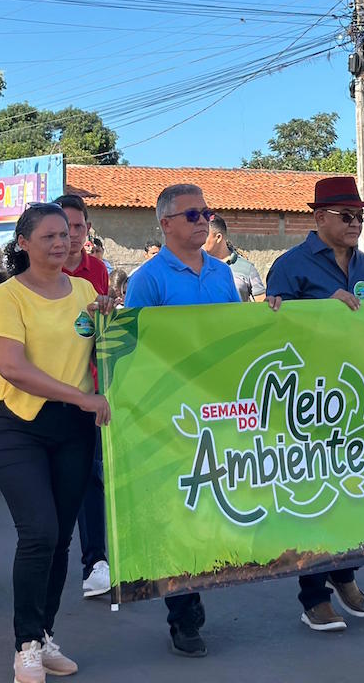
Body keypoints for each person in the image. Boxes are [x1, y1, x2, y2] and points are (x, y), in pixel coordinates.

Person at [265, 176, 364, 632]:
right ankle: (313, 594)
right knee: (312, 499)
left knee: (355, 491)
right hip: (306, 402)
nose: (355, 223)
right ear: (319, 218)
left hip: (355, 395)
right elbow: (272, 331)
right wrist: (320, 309)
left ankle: (346, 573)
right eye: (346, 216)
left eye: (359, 216)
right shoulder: (289, 266)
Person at [0, 202, 114, 682]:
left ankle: (43, 636)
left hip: (73, 429)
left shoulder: (84, 290)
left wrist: (108, 317)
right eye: (49, 237)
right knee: (38, 533)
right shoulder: (6, 296)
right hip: (18, 423)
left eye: (68, 234)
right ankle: (25, 647)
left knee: (60, 539)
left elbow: (109, 345)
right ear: (24, 243)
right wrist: (82, 397)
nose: (62, 243)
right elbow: (12, 368)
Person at [124, 184, 240, 658]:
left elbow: (238, 335)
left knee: (213, 508)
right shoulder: (148, 279)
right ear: (165, 224)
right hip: (172, 415)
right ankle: (184, 616)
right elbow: (132, 348)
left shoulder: (222, 275)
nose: (202, 221)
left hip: (220, 409)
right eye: (191, 214)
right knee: (179, 512)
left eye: (206, 213)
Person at [55, 194, 111, 600]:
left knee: (93, 475)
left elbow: (102, 335)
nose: (71, 237)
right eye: (63, 228)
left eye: (78, 228)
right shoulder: (32, 274)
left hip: (90, 389)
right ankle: (50, 557)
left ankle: (96, 561)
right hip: (44, 391)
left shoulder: (99, 272)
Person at [204, 214, 264, 301]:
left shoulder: (247, 269)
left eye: (204, 235)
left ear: (218, 238)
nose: (199, 239)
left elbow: (262, 305)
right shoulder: (195, 268)